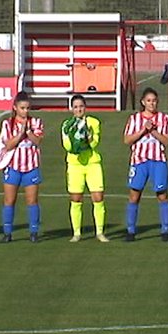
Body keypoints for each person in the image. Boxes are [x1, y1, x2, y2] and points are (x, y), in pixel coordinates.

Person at [124, 87, 168, 241]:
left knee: (162, 195)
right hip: (139, 161)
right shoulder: (134, 119)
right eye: (149, 101)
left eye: (154, 101)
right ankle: (131, 231)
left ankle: (165, 231)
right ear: (143, 102)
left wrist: (153, 132)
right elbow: (127, 140)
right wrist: (143, 131)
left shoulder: (164, 119)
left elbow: (166, 141)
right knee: (134, 196)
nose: (152, 104)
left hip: (158, 160)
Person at [0, 91, 44, 243]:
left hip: (31, 166)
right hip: (13, 167)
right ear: (15, 108)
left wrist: (28, 131)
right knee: (9, 200)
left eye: (27, 108)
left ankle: (34, 232)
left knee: (32, 201)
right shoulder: (7, 124)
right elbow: (8, 145)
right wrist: (20, 134)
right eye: (22, 108)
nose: (25, 111)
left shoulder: (36, 122)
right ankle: (7, 232)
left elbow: (37, 141)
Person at [62, 94, 108, 242]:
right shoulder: (66, 125)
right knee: (76, 199)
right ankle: (76, 233)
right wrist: (75, 141)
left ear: (85, 107)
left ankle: (100, 232)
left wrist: (87, 137)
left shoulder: (93, 122)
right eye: (75, 107)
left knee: (98, 197)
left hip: (92, 164)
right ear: (71, 109)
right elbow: (67, 146)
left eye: (81, 106)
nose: (78, 109)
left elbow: (95, 143)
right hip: (75, 165)